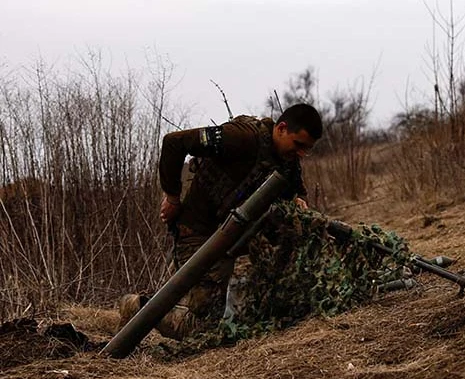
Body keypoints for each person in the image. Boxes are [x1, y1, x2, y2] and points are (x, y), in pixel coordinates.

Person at [118, 104, 323, 340]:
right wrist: (172, 197)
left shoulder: (287, 160)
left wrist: (299, 201)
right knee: (200, 329)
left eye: (307, 150)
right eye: (299, 145)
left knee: (185, 301)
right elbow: (174, 142)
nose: (301, 154)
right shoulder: (241, 137)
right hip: (198, 233)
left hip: (228, 238)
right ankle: (135, 306)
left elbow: (297, 190)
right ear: (282, 128)